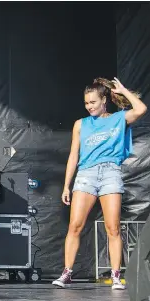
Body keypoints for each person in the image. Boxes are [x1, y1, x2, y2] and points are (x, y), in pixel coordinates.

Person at [53, 77, 147, 290]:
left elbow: (141, 108)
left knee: (113, 227)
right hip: (86, 174)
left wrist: (122, 90)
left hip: (110, 173)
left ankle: (116, 275)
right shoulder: (81, 124)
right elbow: (74, 156)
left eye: (93, 102)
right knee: (75, 226)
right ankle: (67, 272)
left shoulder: (118, 118)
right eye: (86, 103)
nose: (89, 107)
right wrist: (67, 185)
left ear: (104, 100)